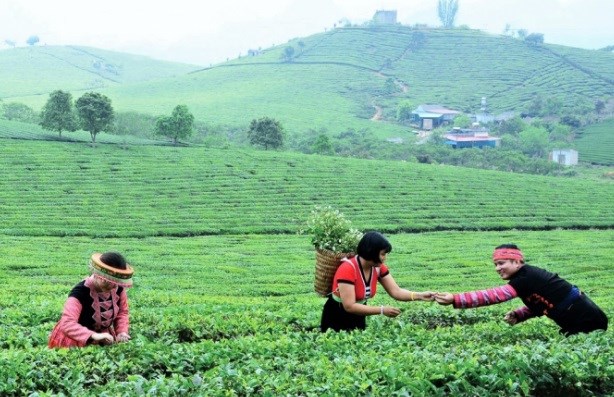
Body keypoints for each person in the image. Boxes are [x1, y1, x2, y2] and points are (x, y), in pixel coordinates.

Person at [434, 244, 608, 336]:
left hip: (585, 317)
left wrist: (455, 299)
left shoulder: (526, 276)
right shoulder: (524, 278)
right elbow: (542, 302)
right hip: (576, 316)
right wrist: (519, 315)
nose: (497, 268)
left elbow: (495, 296)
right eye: (495, 265)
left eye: (501, 263)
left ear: (517, 262)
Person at [321, 231, 434, 332]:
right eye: (383, 254)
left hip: (359, 314)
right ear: (371, 252)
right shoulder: (348, 269)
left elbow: (396, 291)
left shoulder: (378, 268)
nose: (385, 258)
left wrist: (420, 296)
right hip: (337, 315)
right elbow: (349, 306)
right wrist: (381, 310)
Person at [48, 251, 135, 348]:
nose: (112, 285)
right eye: (107, 280)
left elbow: (122, 312)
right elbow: (67, 323)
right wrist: (94, 336)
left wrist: (121, 332)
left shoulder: (117, 288)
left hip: (104, 336)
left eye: (115, 282)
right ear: (97, 274)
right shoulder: (80, 292)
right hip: (75, 339)